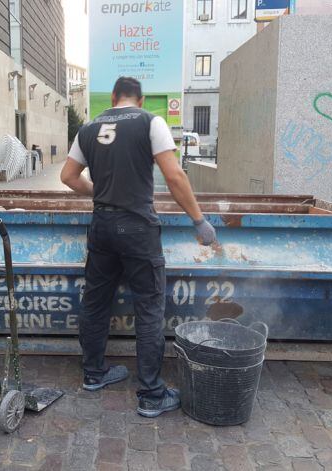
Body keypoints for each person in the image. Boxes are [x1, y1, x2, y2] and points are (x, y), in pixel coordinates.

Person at [60, 77, 217, 417]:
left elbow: (68, 177)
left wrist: (99, 193)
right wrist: (198, 221)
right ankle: (150, 395)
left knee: (96, 301)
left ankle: (94, 373)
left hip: (101, 226)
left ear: (114, 97)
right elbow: (175, 175)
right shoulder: (150, 122)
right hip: (137, 228)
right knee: (148, 307)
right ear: (140, 100)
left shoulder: (88, 129)